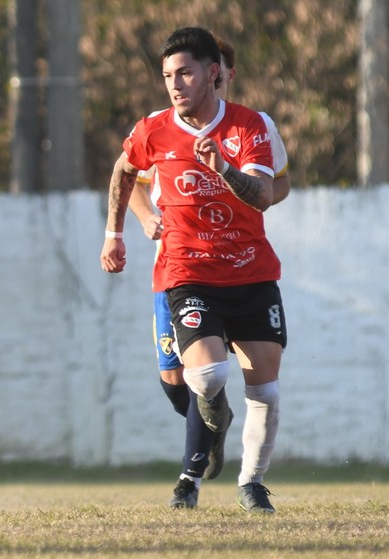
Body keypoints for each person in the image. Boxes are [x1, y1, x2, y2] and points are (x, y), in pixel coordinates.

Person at [101, 27, 283, 513]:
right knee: (201, 378)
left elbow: (268, 194)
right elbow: (123, 170)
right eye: (168, 76)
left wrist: (223, 169)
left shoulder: (249, 126)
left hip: (250, 272)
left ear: (214, 73)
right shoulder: (153, 128)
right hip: (186, 270)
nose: (176, 84)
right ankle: (209, 430)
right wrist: (117, 233)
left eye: (185, 72)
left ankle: (251, 482)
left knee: (264, 386)